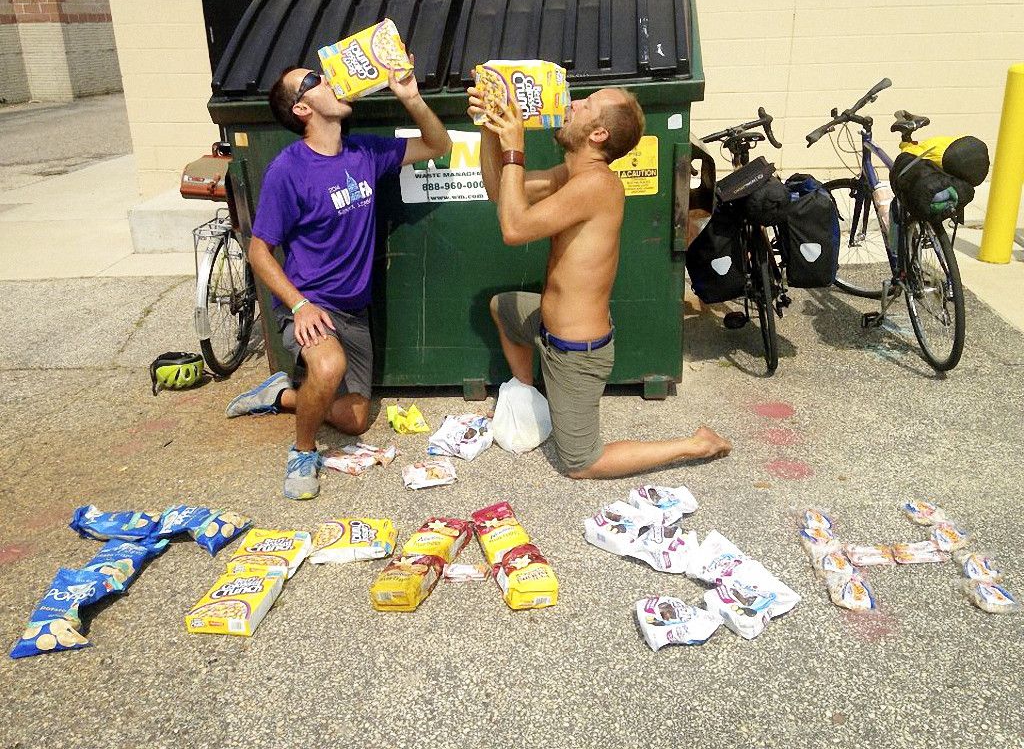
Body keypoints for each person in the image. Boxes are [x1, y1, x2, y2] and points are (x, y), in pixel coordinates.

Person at [468, 86, 732, 479]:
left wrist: (515, 145)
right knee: (501, 307)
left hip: (577, 352)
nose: (572, 103)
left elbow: (514, 227)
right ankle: (526, 390)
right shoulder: (570, 174)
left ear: (598, 134)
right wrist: (492, 128)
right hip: (545, 325)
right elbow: (500, 191)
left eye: (585, 104)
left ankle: (696, 443)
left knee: (582, 463)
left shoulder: (598, 185)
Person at [226, 65, 451, 500]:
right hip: (310, 304)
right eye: (316, 81)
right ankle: (302, 451)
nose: (330, 81)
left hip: (354, 308)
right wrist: (298, 306)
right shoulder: (287, 170)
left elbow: (437, 144)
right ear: (303, 108)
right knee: (329, 367)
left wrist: (410, 97)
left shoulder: (363, 152)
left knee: (354, 420)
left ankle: (284, 394)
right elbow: (259, 250)